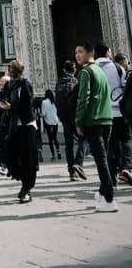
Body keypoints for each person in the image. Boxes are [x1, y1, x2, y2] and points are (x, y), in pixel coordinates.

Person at [75, 41, 116, 211]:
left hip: (93, 121)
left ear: (89, 53)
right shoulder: (101, 71)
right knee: (104, 158)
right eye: (76, 52)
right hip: (107, 120)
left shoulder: (86, 72)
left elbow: (83, 98)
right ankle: (102, 192)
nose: (77, 55)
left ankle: (109, 199)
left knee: (101, 161)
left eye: (80, 51)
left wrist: (79, 121)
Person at [94, 41, 132, 186]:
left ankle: (112, 179)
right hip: (119, 112)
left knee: (109, 146)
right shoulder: (117, 67)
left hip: (101, 115)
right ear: (108, 52)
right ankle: (126, 167)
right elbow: (125, 88)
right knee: (126, 139)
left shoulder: (91, 69)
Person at [0, 59, 38, 203]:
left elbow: (28, 105)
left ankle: (26, 189)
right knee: (13, 157)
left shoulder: (25, 84)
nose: (9, 71)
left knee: (27, 159)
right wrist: (3, 101)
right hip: (14, 125)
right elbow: (4, 97)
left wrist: (12, 107)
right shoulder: (10, 85)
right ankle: (24, 184)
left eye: (10, 69)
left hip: (27, 125)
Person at [54, 60, 87, 181]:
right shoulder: (75, 81)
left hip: (64, 118)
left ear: (63, 70)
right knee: (84, 139)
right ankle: (78, 163)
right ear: (75, 70)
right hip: (75, 117)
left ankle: (71, 173)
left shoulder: (59, 83)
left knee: (69, 145)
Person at [0, 73, 11, 175]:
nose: (1, 83)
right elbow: (0, 110)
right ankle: (2, 165)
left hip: (9, 123)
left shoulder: (6, 94)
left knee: (7, 145)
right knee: (3, 145)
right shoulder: (0, 94)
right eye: (0, 81)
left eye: (3, 82)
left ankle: (6, 166)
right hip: (4, 123)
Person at [41, 89, 61, 160]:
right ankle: (58, 152)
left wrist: (39, 114)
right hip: (55, 121)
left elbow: (43, 114)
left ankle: (53, 155)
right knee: (55, 137)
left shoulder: (44, 102)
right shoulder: (54, 101)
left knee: (50, 139)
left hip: (48, 122)